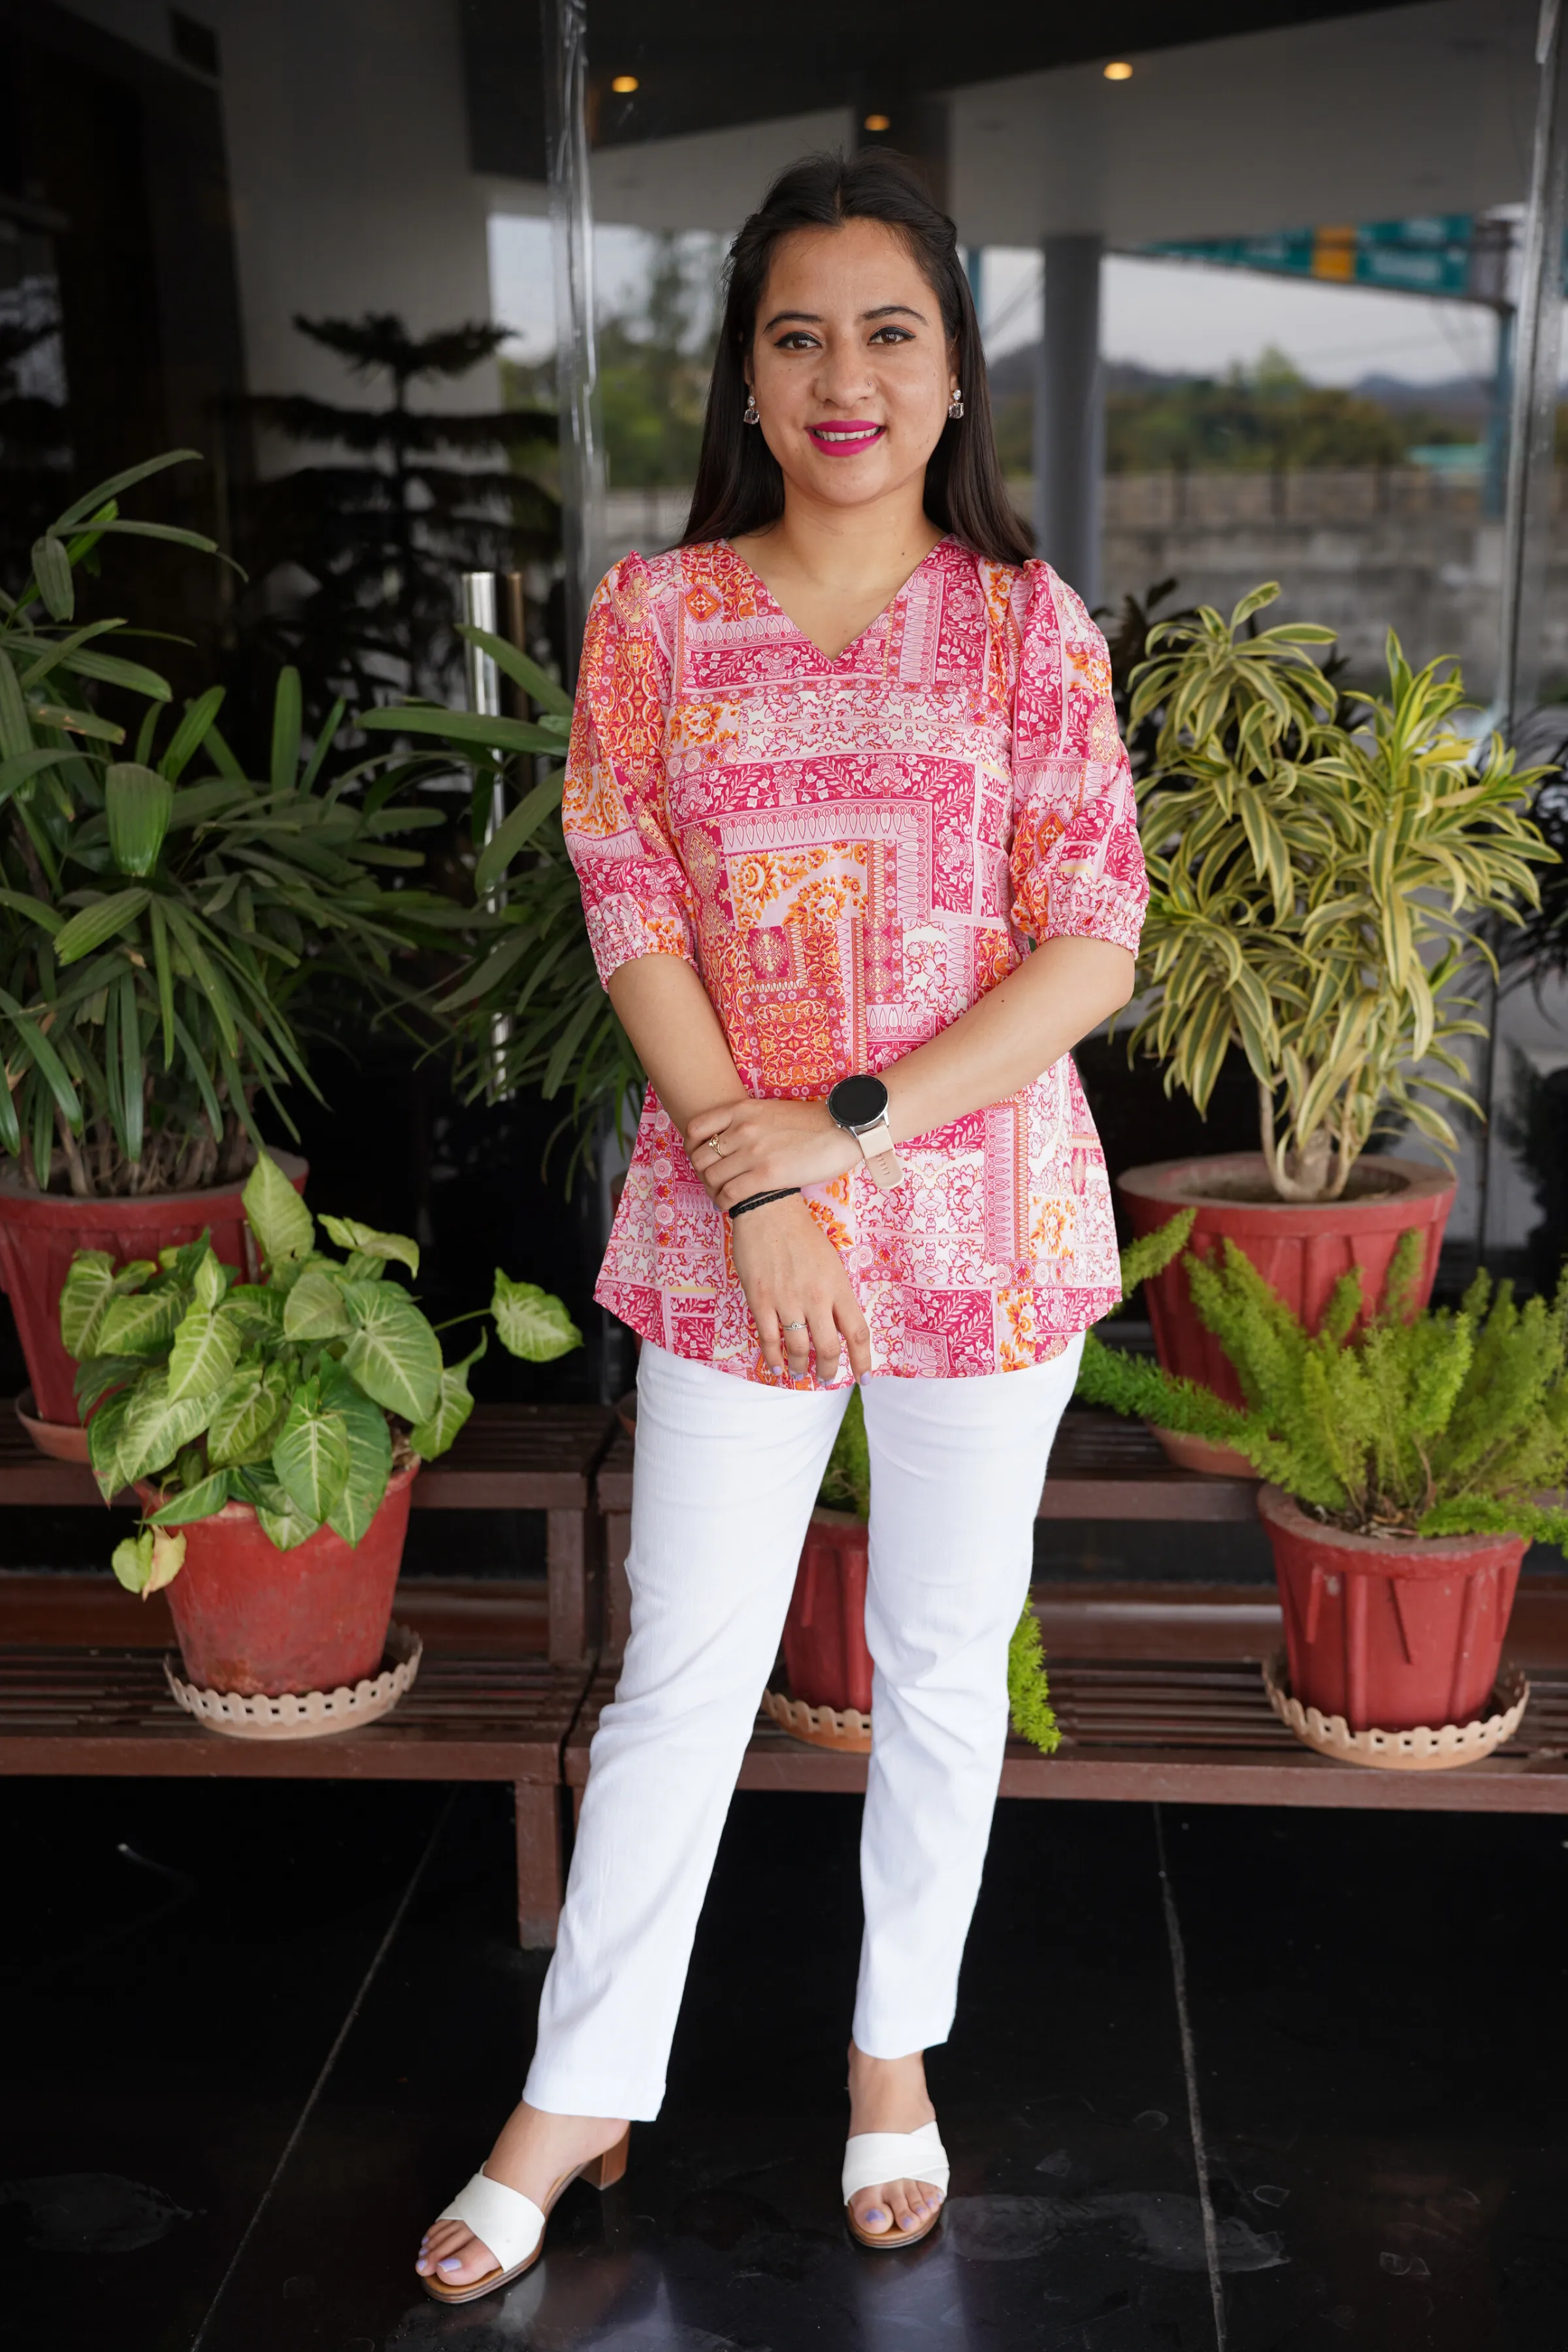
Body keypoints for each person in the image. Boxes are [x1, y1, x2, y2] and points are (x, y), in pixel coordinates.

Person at [417, 148, 1147, 2304]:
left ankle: (891, 2055)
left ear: (951, 381)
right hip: (726, 1221)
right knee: (683, 1681)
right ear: (743, 377)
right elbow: (628, 893)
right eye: (799, 334)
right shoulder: (656, 617)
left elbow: (1092, 942)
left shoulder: (1028, 626)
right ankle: (581, 2090)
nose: (844, 375)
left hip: (982, 1221)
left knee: (938, 1668)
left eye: (887, 332)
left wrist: (836, 1134)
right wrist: (754, 1168)